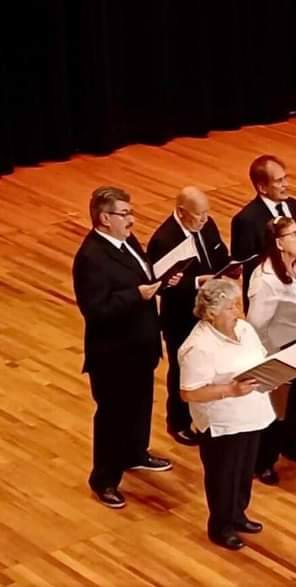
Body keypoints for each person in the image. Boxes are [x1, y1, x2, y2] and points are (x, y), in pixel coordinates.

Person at [73, 186, 175, 509]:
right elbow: (95, 309)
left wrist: (162, 279)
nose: (132, 219)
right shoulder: (91, 257)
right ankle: (104, 479)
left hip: (141, 346)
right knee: (113, 417)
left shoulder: (127, 242)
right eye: (125, 213)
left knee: (140, 405)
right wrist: (138, 295)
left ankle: (134, 453)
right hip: (114, 356)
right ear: (104, 218)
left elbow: (140, 276)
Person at [179, 278, 275, 551]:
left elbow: (261, 359)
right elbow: (189, 392)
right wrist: (231, 390)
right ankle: (220, 526)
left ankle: (238, 514)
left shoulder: (244, 329)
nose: (238, 310)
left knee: (243, 471)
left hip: (252, 413)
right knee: (223, 475)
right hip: (222, 422)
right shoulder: (198, 346)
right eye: (231, 306)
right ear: (212, 312)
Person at [147, 186, 231, 446]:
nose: (205, 219)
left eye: (206, 213)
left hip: (211, 309)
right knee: (182, 367)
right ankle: (178, 421)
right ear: (182, 212)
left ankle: (209, 412)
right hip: (180, 315)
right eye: (199, 215)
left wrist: (228, 268)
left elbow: (218, 254)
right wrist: (196, 282)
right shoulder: (163, 239)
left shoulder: (207, 225)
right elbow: (162, 285)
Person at [246, 217, 296, 484]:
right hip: (277, 351)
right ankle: (263, 461)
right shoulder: (266, 280)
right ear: (278, 243)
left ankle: (293, 445)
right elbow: (256, 324)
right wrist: (270, 360)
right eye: (294, 234)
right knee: (277, 411)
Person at [230, 155, 296, 307]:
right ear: (262, 188)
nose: (286, 184)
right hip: (267, 294)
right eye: (279, 181)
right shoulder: (246, 219)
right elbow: (245, 261)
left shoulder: (292, 205)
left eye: (285, 178)